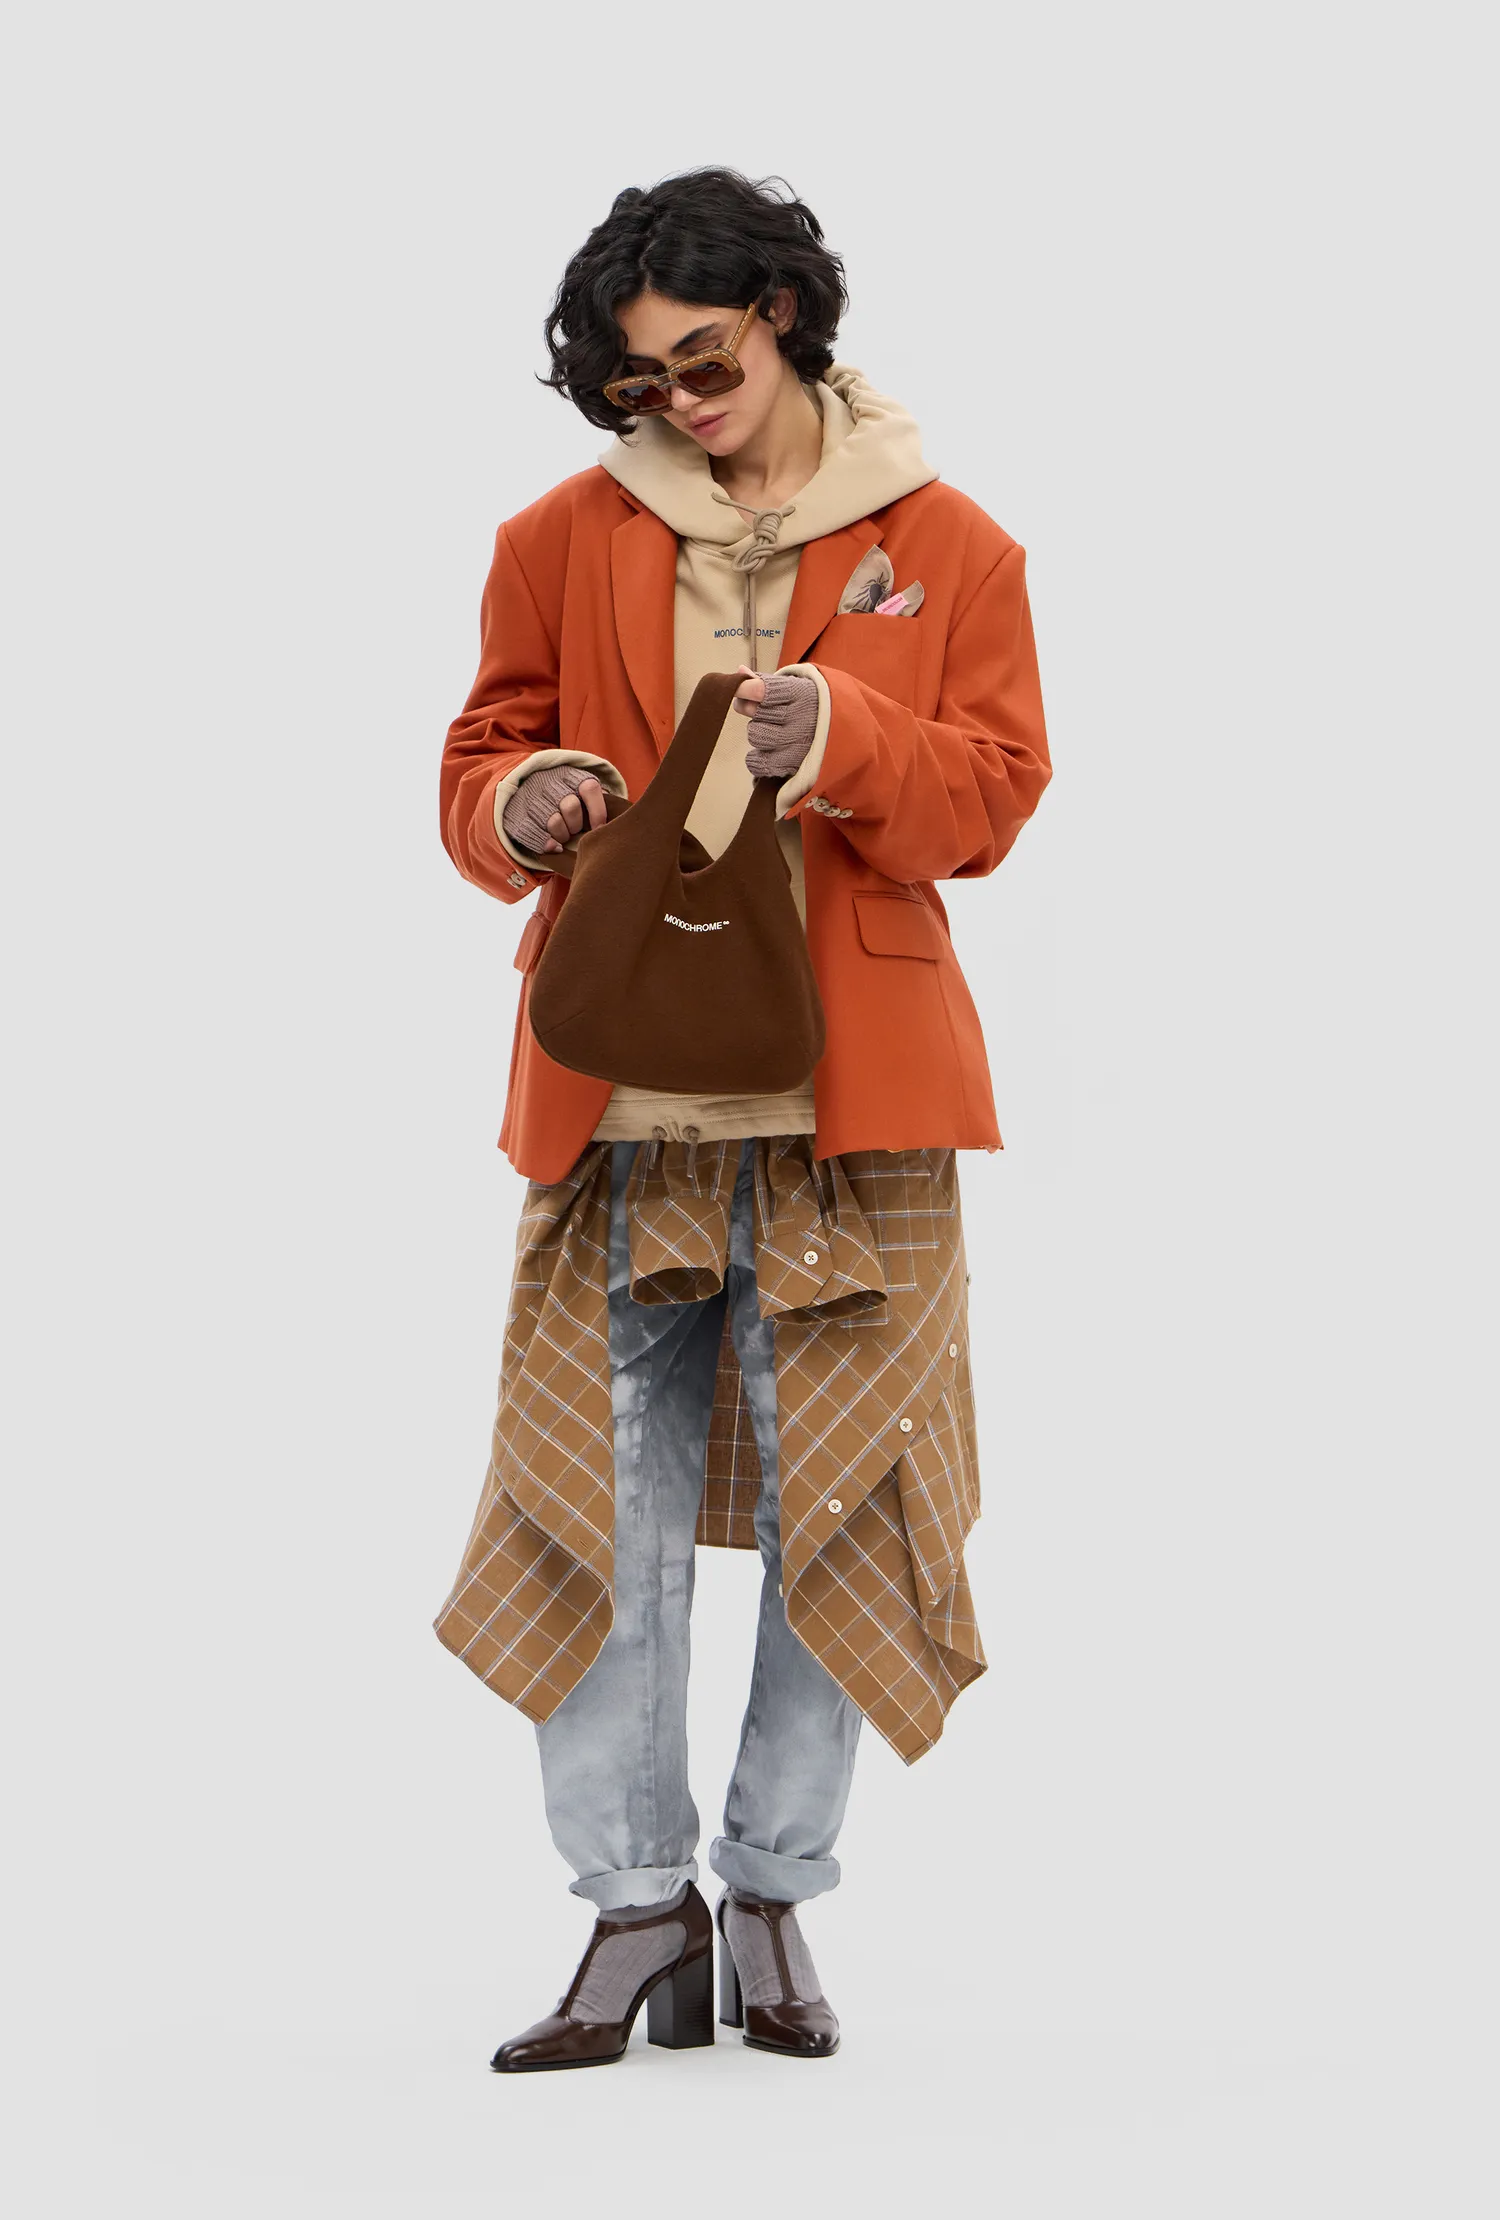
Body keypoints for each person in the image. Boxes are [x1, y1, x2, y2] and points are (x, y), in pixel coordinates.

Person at [433, 166, 1051, 2071]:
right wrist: (527, 797)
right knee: (590, 1509)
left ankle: (772, 1890)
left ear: (783, 311)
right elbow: (477, 757)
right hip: (619, 1094)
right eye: (638, 385)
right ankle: (636, 1908)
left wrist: (845, 741)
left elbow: (996, 794)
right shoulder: (558, 534)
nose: (677, 408)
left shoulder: (950, 543)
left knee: (836, 1509)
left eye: (701, 364)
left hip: (853, 1103)